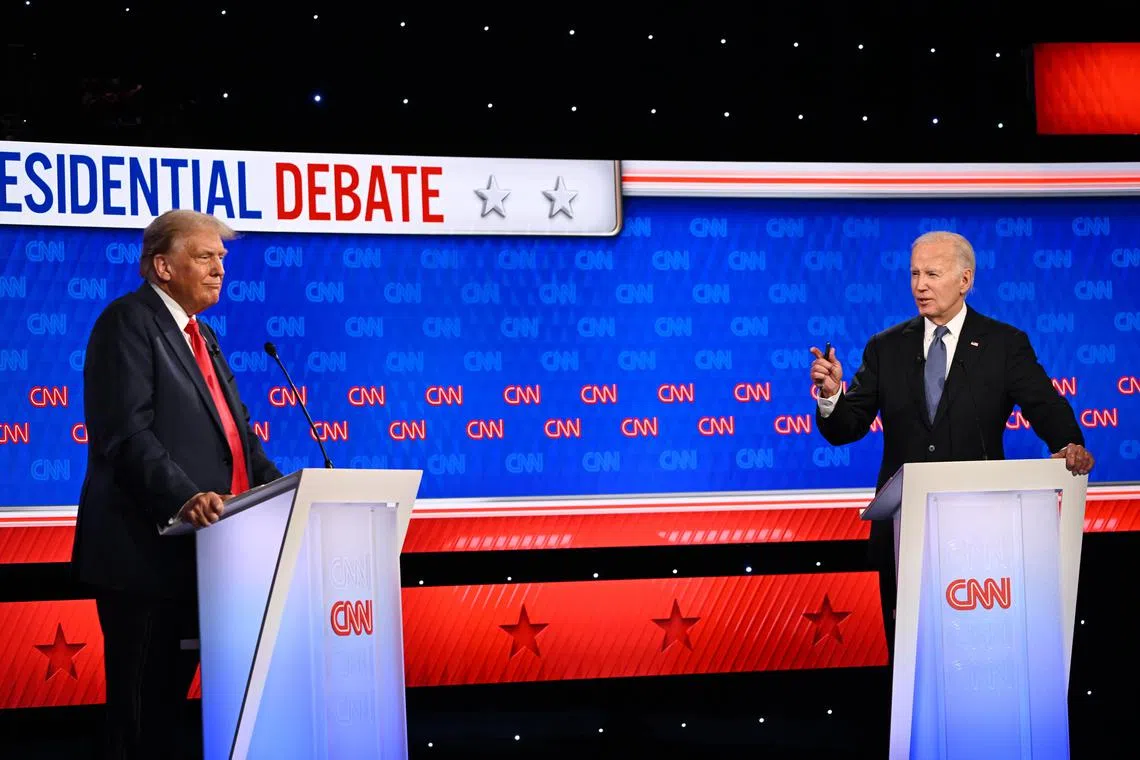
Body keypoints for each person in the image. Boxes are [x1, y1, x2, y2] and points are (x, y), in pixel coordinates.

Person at [809, 230, 1094, 653]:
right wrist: (833, 395)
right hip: (905, 534)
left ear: (965, 280)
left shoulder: (1003, 344)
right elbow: (845, 428)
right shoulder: (886, 347)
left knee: (979, 650)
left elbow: (1046, 408)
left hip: (981, 531)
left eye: (932, 274)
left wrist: (1069, 444)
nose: (920, 285)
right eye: (914, 274)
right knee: (910, 655)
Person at [72, 209, 282, 759]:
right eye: (205, 256)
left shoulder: (201, 335)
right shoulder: (128, 321)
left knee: (171, 715)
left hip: (207, 553)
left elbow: (239, 438)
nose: (219, 268)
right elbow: (125, 433)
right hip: (144, 555)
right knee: (141, 715)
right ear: (162, 266)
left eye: (221, 258)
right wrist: (182, 496)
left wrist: (288, 493)